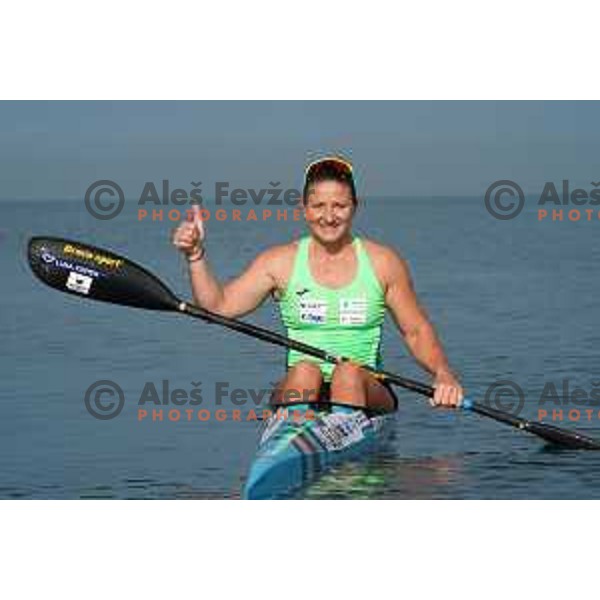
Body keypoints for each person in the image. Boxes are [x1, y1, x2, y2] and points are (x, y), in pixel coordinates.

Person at [172, 156, 463, 414]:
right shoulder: (279, 262)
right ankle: (298, 437)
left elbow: (416, 331)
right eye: (319, 206)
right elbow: (216, 307)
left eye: (340, 206)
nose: (328, 216)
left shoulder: (383, 262)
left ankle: (342, 443)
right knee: (305, 371)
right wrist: (195, 255)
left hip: (367, 389)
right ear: (304, 208)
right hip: (302, 387)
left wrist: (443, 374)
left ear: (355, 207)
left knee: (347, 374)